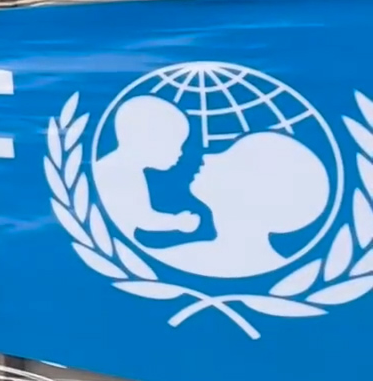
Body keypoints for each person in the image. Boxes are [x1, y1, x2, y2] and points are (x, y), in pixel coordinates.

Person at [148, 131, 331, 279]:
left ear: (257, 193)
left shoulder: (177, 259)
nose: (207, 157)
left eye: (232, 158)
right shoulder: (176, 258)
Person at [95, 96, 201, 238]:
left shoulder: (128, 170)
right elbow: (143, 219)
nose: (181, 153)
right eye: (175, 144)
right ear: (145, 140)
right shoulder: (118, 173)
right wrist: (177, 222)